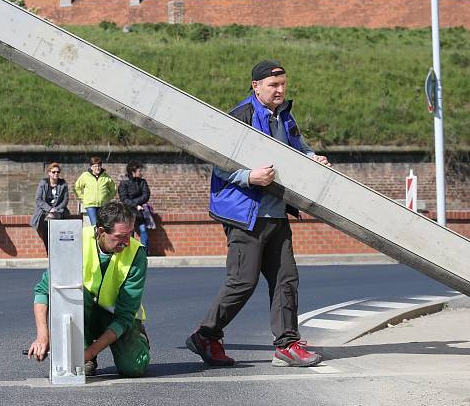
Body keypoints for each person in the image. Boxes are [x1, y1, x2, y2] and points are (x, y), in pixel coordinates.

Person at [186, 60, 331, 368]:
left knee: (286, 279)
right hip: (245, 215)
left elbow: (298, 149)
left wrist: (312, 158)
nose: (280, 90)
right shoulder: (241, 116)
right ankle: (206, 335)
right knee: (243, 281)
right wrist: (249, 177)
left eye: (283, 85)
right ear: (256, 86)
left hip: (276, 214)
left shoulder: (285, 118)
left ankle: (287, 345)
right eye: (273, 86)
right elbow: (218, 163)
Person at [27, 201, 150, 378]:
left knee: (133, 368)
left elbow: (124, 316)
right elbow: (43, 291)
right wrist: (42, 337)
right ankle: (83, 352)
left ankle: (135, 340)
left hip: (117, 319)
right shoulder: (75, 241)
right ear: (101, 232)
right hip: (85, 313)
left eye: (129, 235)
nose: (127, 243)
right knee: (76, 294)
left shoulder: (137, 254)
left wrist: (90, 352)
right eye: (120, 237)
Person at [29, 162, 70, 250]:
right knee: (45, 228)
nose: (56, 174)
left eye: (58, 172)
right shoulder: (43, 183)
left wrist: (56, 209)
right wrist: (49, 209)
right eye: (53, 172)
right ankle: (49, 251)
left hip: (59, 211)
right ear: (49, 173)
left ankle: (60, 250)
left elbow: (65, 200)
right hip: (44, 211)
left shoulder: (63, 184)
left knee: (61, 229)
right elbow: (38, 199)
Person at [118, 162, 151, 251]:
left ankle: (144, 251)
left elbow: (146, 195)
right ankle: (130, 252)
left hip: (141, 211)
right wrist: (135, 205)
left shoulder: (142, 182)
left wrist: (136, 204)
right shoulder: (124, 183)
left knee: (143, 229)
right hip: (128, 211)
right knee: (130, 232)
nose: (141, 173)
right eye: (139, 171)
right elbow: (124, 199)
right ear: (133, 172)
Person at [73, 157, 116, 226]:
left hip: (103, 204)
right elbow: (77, 187)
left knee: (103, 224)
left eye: (99, 166)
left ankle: (101, 236)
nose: (97, 168)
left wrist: (108, 198)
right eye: (95, 166)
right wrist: (83, 197)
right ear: (91, 167)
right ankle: (96, 236)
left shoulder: (106, 177)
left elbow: (113, 189)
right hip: (90, 205)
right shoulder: (85, 176)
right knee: (95, 224)